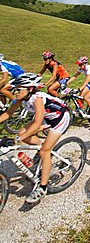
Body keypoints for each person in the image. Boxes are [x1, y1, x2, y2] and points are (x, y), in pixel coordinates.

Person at [0, 73, 70, 203]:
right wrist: (20, 136)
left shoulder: (37, 98)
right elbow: (8, 113)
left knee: (45, 151)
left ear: (30, 89)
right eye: (14, 89)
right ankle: (41, 149)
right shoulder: (21, 98)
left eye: (19, 89)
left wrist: (17, 139)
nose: (15, 92)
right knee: (23, 134)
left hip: (61, 118)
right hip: (47, 117)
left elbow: (37, 123)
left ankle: (43, 187)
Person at [67, 56, 90, 122]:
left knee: (86, 97)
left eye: (80, 65)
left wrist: (80, 88)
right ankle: (80, 110)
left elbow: (87, 80)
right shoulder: (81, 68)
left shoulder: (89, 69)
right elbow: (75, 76)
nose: (79, 66)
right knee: (80, 96)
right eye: (79, 65)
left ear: (85, 64)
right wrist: (66, 83)